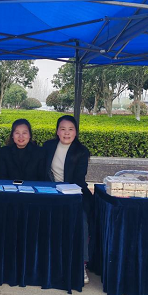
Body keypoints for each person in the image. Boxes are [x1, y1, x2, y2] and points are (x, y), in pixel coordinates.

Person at [42, 115, 91, 283]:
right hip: (50, 193)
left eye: (71, 129)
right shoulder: (48, 146)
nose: (66, 133)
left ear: (76, 132)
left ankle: (81, 264)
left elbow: (78, 179)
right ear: (57, 131)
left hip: (75, 194)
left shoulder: (82, 151)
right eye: (63, 129)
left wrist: (64, 194)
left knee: (82, 221)